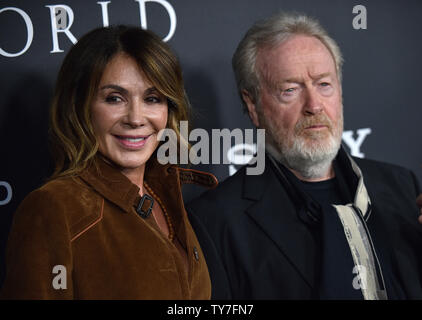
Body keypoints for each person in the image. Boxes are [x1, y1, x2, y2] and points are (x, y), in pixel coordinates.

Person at [187, 12, 422, 299]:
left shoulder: (402, 186)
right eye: (290, 90)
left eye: (324, 84)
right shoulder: (216, 222)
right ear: (252, 105)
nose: (314, 105)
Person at [0, 25, 217, 299]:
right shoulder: (54, 208)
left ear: (168, 109)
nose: (136, 118)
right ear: (80, 107)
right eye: (114, 98)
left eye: (152, 98)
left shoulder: (166, 195)